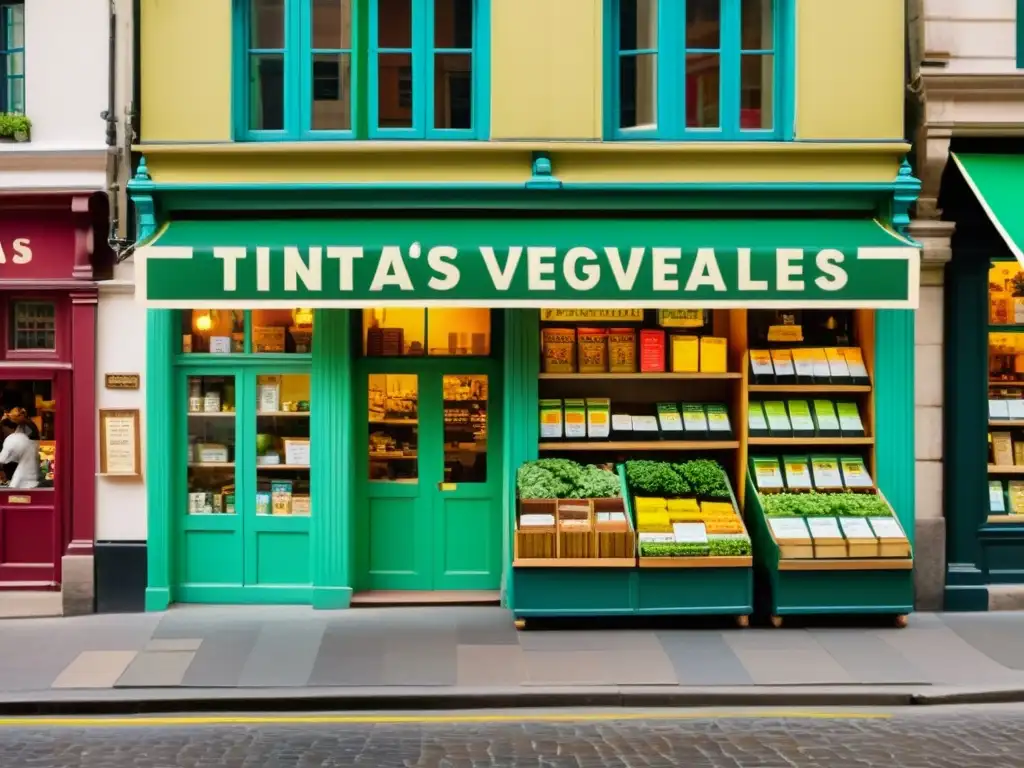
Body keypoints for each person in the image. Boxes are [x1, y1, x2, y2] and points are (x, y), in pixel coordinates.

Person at [0, 408, 40, 489]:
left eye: (3, 429)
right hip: (34, 478)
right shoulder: (28, 436)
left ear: (10, 428)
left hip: (22, 480)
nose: (3, 432)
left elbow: (2, 459)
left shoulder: (13, 438)